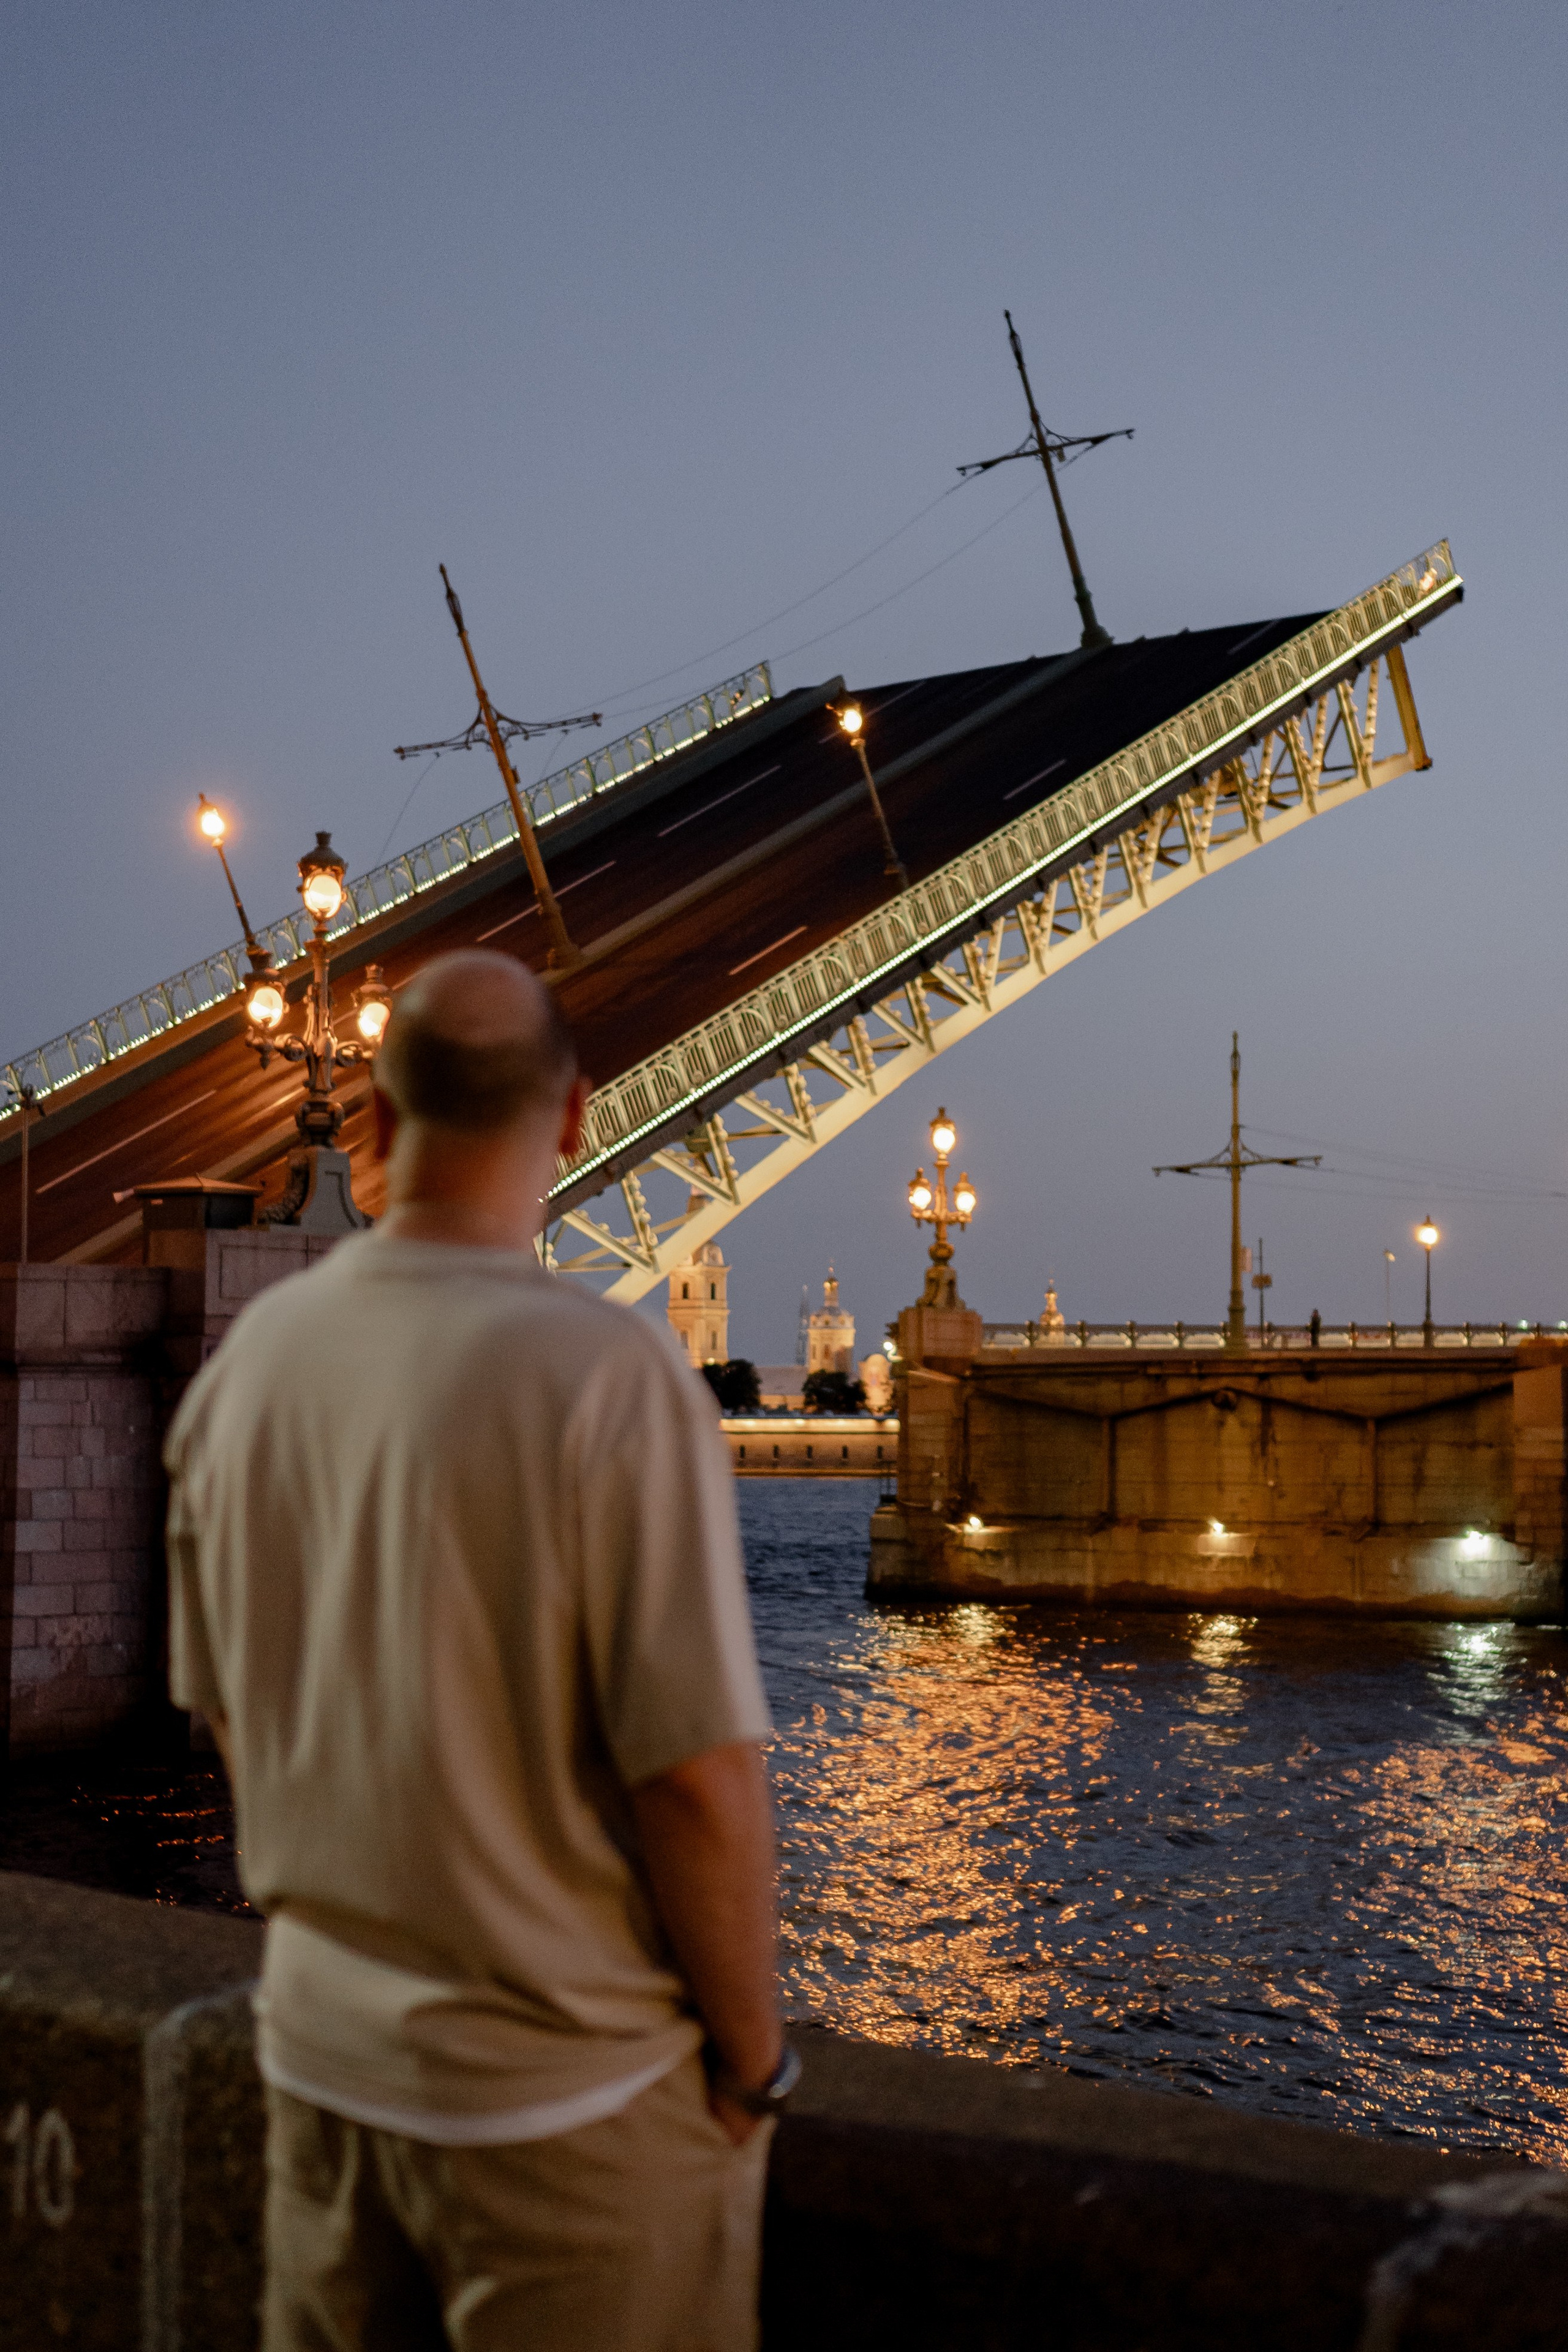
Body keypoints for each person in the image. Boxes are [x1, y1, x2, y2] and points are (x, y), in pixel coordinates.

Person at [165, 948, 791, 2352]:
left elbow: (233, 1723)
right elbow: (698, 1781)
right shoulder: (611, 1378)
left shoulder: (246, 1370)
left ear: (378, 1122)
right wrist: (753, 2069)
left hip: (320, 2082)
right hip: (563, 2115)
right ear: (571, 1119)